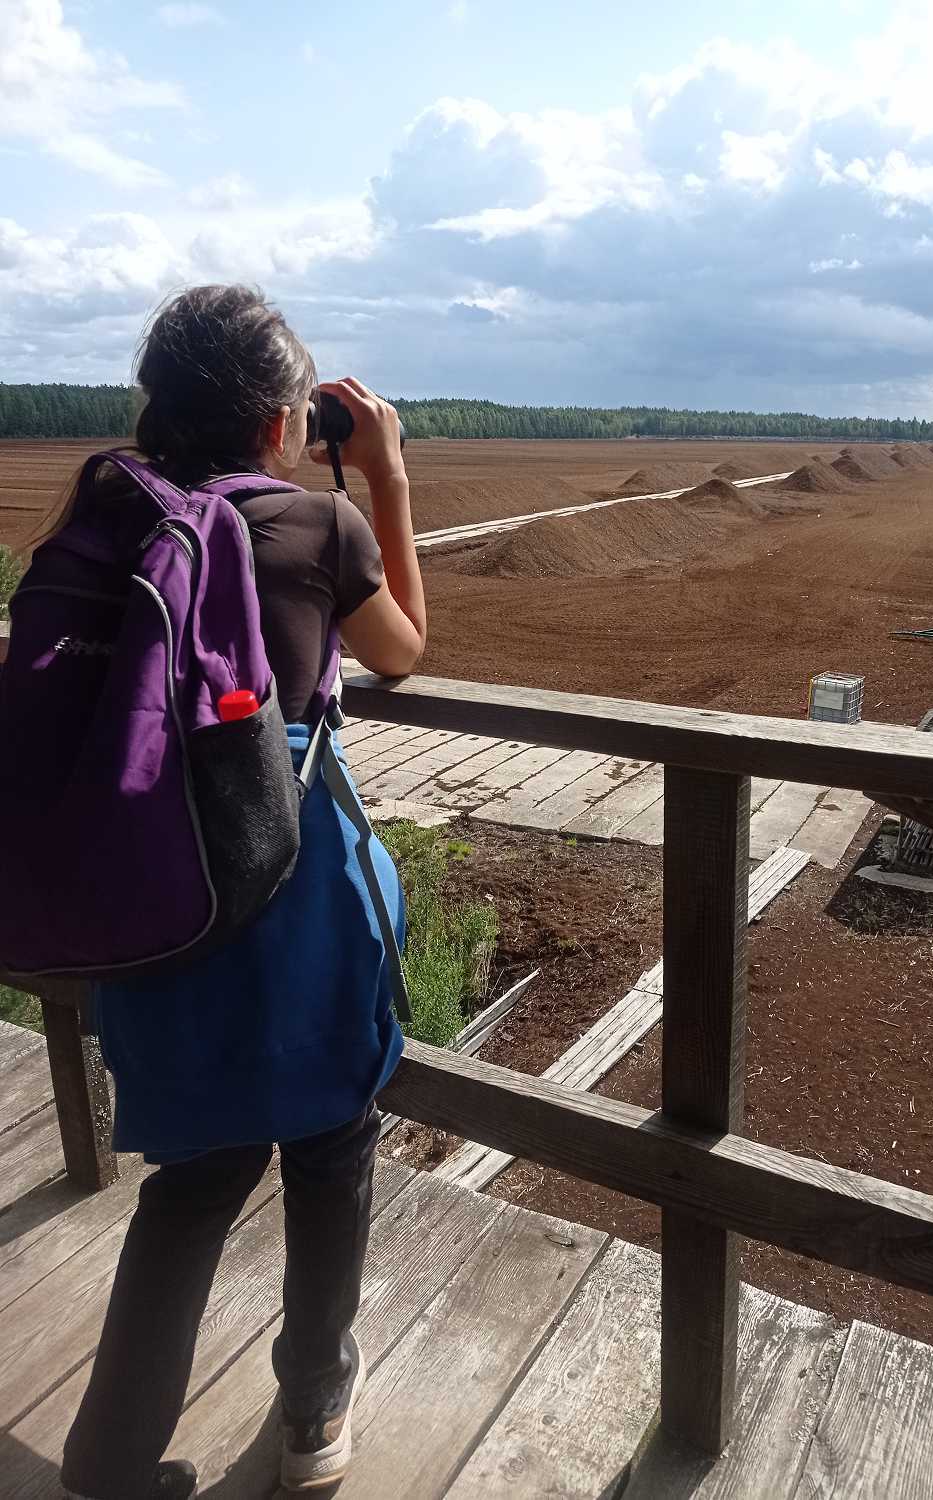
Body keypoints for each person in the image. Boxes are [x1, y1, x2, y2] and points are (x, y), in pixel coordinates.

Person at [53, 284, 426, 1500]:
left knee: (197, 1176)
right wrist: (388, 477)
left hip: (149, 904)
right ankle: (316, 1422)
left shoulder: (107, 511)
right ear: (284, 421)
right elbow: (405, 650)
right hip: (292, 903)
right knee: (331, 1151)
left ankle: (106, 1460)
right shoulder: (317, 526)